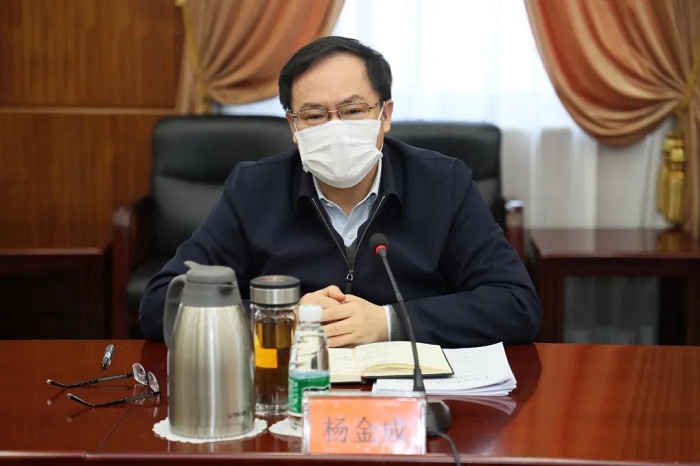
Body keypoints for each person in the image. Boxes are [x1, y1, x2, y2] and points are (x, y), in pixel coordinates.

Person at [139, 36, 542, 348]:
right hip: (290, 390)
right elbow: (161, 304)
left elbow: (516, 304)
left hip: (411, 395)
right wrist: (282, 317)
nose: (335, 128)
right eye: (314, 115)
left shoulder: (443, 184)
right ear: (293, 126)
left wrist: (391, 322)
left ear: (385, 115)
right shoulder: (254, 189)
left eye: (352, 111)